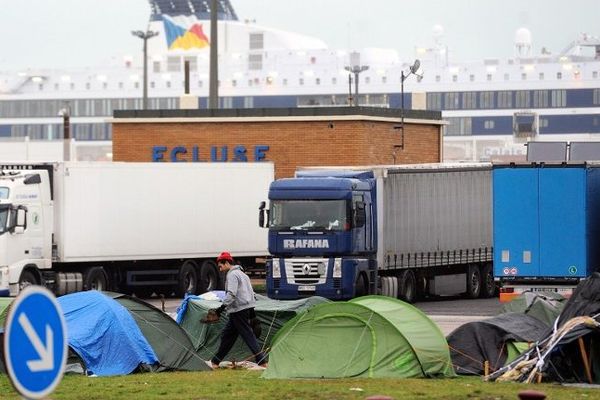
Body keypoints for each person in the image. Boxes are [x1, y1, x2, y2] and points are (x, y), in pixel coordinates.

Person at [210, 251, 268, 369]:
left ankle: (262, 361)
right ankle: (215, 361)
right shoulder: (243, 275)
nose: (220, 269)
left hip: (238, 310)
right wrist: (252, 314)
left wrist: (220, 309)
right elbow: (251, 294)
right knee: (227, 336)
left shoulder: (232, 275)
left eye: (220, 266)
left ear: (226, 263)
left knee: (248, 335)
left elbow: (231, 294)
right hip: (241, 309)